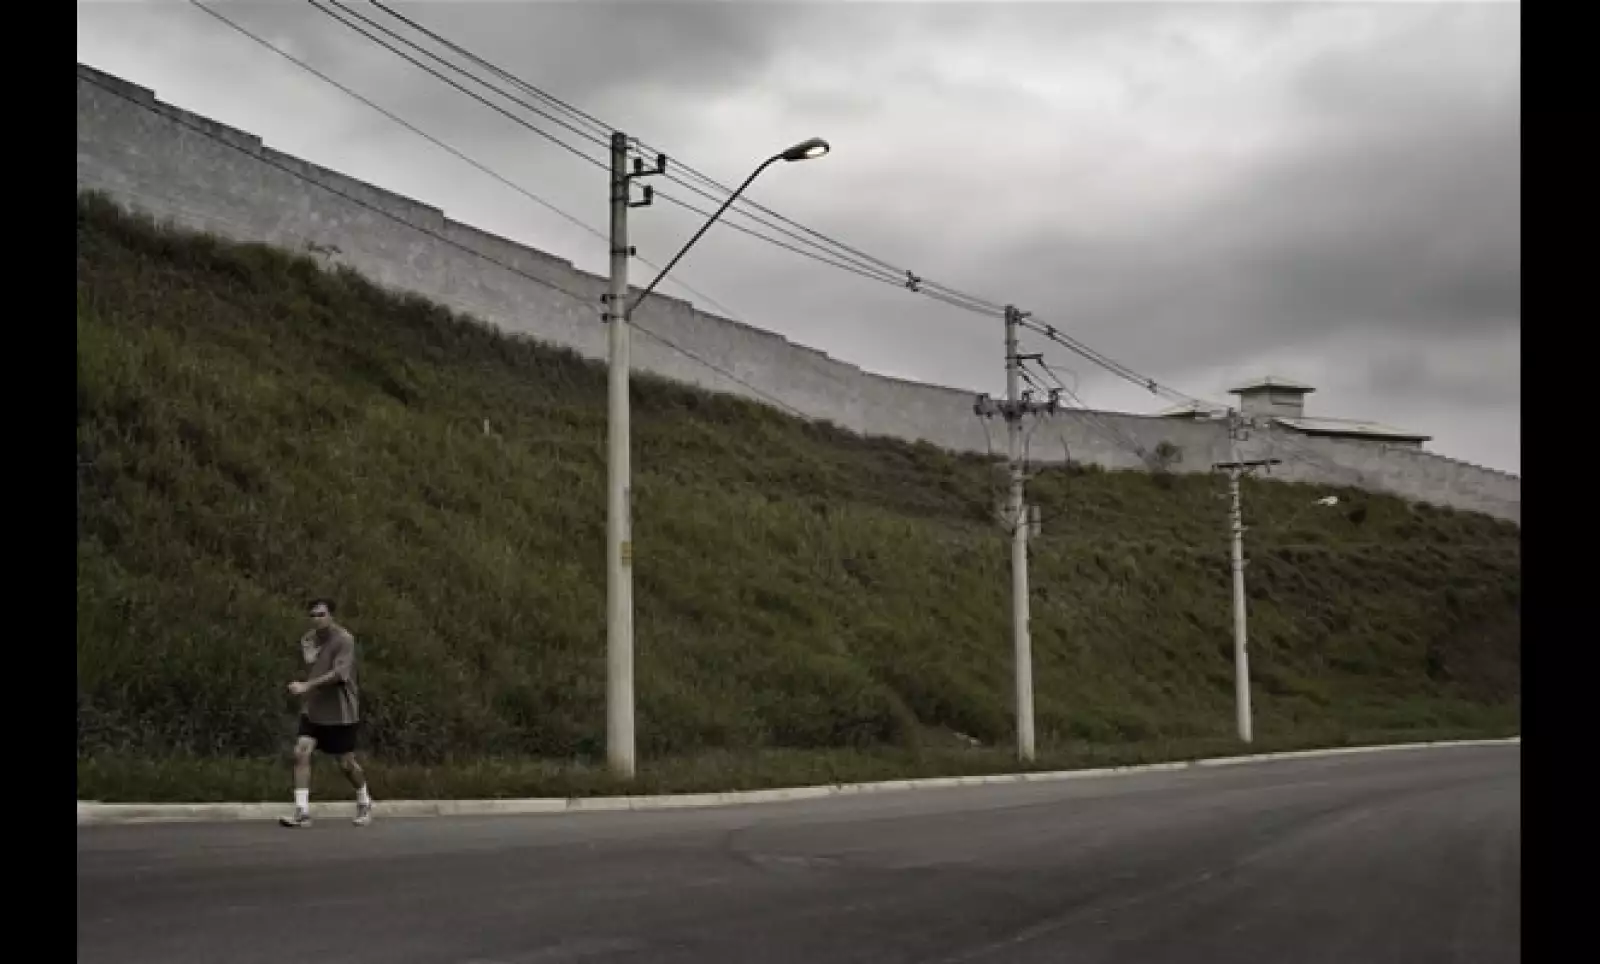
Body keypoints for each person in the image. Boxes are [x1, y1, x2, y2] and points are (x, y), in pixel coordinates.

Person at [279, 598, 373, 828]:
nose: (317, 619)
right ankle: (301, 811)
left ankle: (364, 800)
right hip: (313, 710)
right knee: (301, 752)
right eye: (313, 615)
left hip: (340, 712)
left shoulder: (344, 640)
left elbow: (339, 675)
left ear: (331, 616)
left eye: (321, 614)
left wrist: (306, 686)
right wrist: (308, 660)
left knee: (346, 764)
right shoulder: (309, 640)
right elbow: (311, 665)